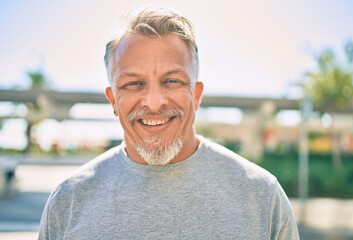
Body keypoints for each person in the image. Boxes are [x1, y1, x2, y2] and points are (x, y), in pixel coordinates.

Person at [38, 8, 299, 240]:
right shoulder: (68, 201)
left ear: (196, 95)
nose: (153, 103)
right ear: (113, 101)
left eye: (172, 81)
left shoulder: (262, 197)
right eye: (133, 84)